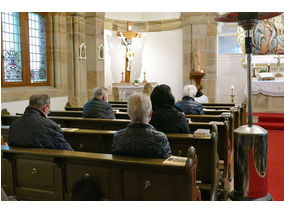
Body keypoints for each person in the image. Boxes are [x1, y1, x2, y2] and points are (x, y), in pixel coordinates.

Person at [112, 93, 172, 159]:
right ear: (150, 114)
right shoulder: (161, 138)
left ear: (128, 113)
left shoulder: (118, 136)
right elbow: (167, 163)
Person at [8, 94, 73, 151]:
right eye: (49, 108)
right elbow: (66, 150)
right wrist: (55, 128)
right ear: (46, 107)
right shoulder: (51, 125)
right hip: (46, 163)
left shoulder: (14, 124)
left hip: (19, 163)